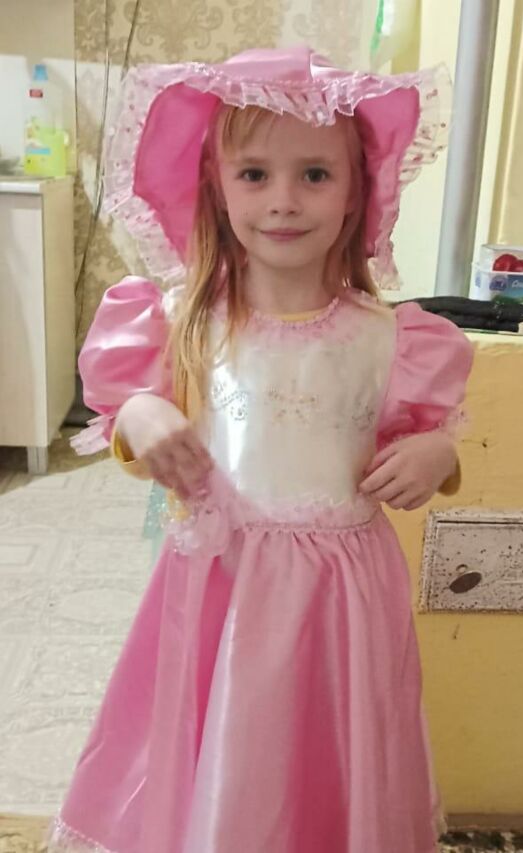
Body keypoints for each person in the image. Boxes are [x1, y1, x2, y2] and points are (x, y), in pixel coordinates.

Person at [48, 46, 473, 853]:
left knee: (332, 753)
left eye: (315, 174)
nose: (284, 200)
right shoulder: (179, 322)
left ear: (355, 193)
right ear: (217, 185)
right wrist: (139, 411)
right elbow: (128, 426)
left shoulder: (393, 339)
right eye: (254, 174)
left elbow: (426, 440)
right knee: (230, 755)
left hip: (344, 602)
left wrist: (437, 456)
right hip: (225, 588)